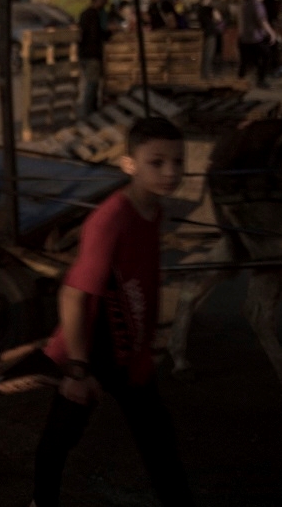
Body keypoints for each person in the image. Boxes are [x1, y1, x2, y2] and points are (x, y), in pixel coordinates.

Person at [30, 117, 193, 507]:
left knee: (157, 436)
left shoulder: (153, 210)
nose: (170, 171)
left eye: (177, 161)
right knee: (61, 437)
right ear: (128, 164)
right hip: (92, 346)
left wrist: (144, 345)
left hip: (129, 349)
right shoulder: (111, 218)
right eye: (157, 162)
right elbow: (73, 295)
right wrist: (77, 369)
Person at [77, 0, 111, 120]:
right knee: (92, 84)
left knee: (93, 84)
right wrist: (109, 32)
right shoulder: (93, 14)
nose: (106, 2)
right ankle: (88, 114)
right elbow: (95, 35)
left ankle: (92, 111)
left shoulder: (85, 13)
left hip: (85, 54)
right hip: (91, 55)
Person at [238, 0, 278, 89]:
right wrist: (272, 33)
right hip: (256, 37)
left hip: (245, 38)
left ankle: (239, 80)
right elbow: (262, 21)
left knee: (245, 60)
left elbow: (241, 21)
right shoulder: (258, 5)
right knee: (266, 56)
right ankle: (261, 80)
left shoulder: (245, 4)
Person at [196, 0, 223, 79]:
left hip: (202, 32)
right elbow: (219, 18)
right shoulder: (210, 9)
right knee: (209, 54)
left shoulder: (199, 9)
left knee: (203, 53)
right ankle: (207, 73)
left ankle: (202, 72)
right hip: (211, 32)